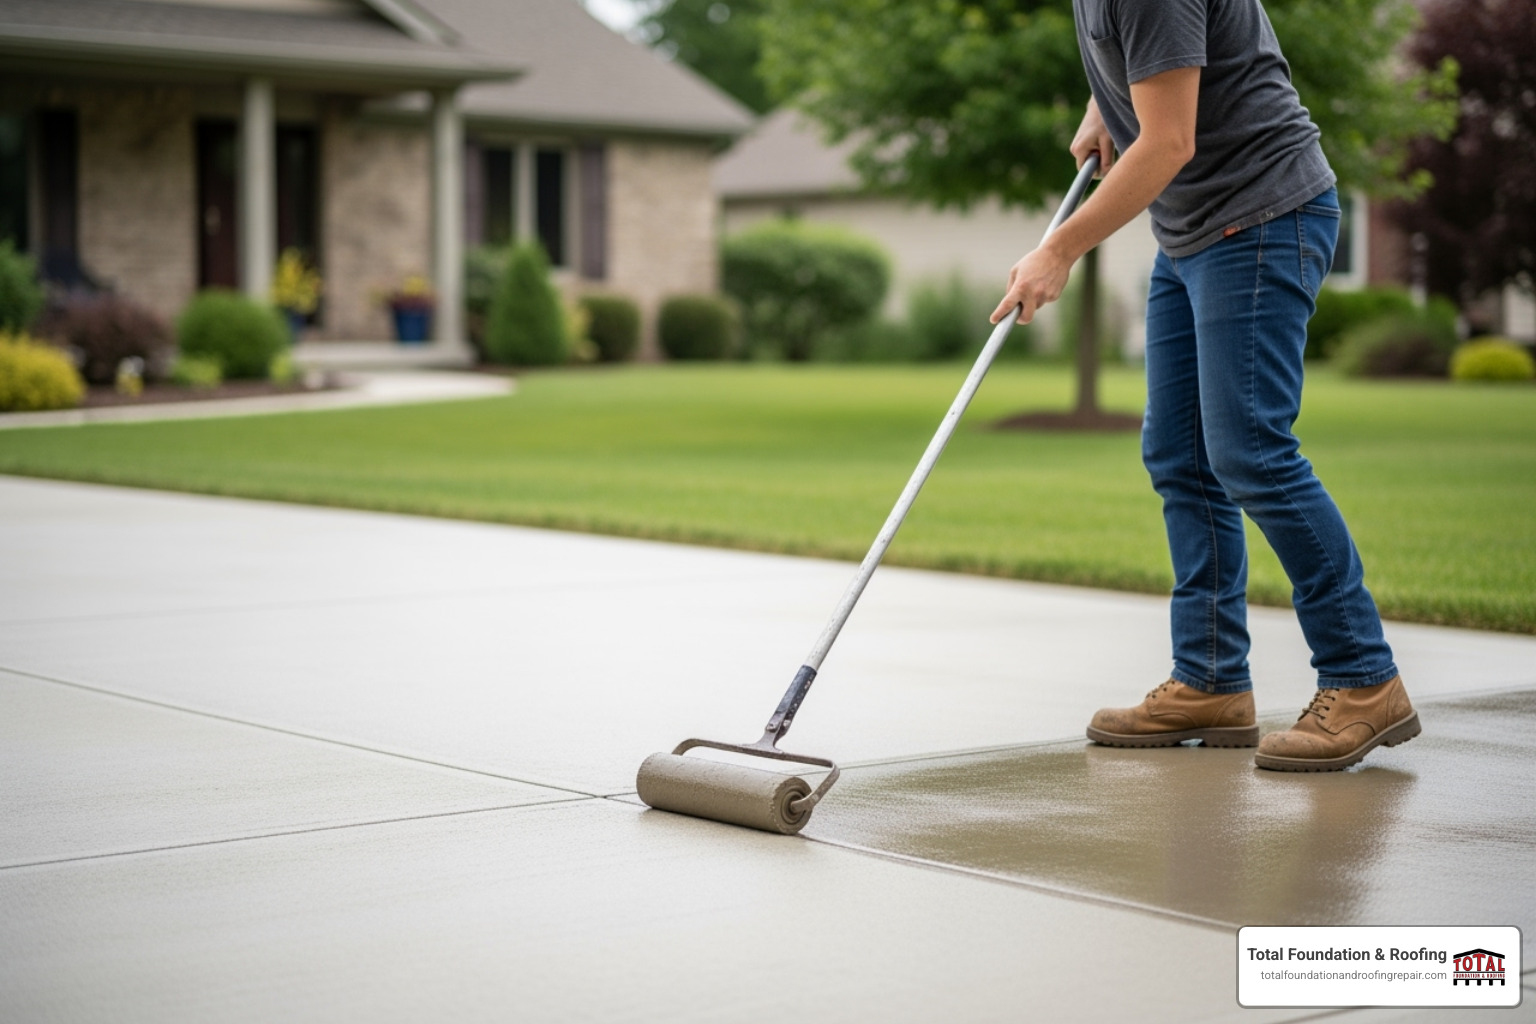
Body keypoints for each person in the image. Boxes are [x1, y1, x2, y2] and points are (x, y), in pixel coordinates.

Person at [989, 0, 1419, 771]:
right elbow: (1157, 63)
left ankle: (1364, 677)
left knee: (1251, 449)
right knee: (1181, 456)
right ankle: (1211, 679)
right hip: (1193, 234)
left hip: (1260, 217)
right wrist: (1103, 100)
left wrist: (1059, 249)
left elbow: (1168, 142)